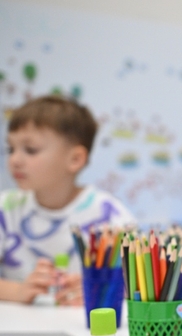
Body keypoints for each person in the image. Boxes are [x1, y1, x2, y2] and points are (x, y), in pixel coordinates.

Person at [1, 95, 135, 305]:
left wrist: (101, 290)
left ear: (75, 159)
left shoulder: (110, 215)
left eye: (30, 150)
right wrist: (18, 291)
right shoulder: (5, 209)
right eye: (11, 149)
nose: (14, 160)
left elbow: (143, 284)